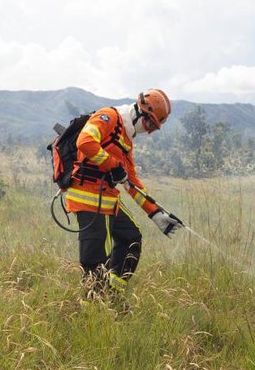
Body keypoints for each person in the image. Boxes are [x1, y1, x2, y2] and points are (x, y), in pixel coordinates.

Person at [65, 88, 183, 297]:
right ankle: (90, 310)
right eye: (149, 124)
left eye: (154, 128)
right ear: (139, 111)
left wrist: (156, 214)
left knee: (131, 238)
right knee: (94, 258)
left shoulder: (126, 140)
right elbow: (84, 141)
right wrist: (112, 165)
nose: (149, 131)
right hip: (86, 196)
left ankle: (112, 295)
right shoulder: (109, 117)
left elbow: (131, 183)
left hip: (106, 200)